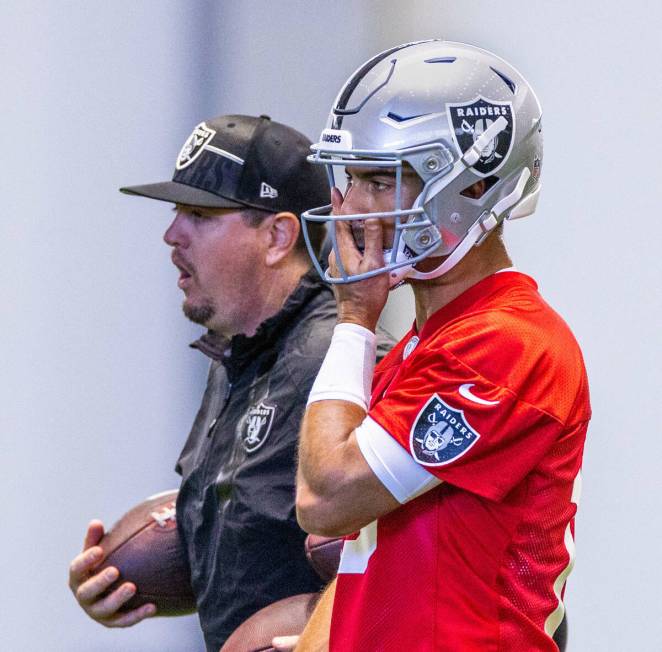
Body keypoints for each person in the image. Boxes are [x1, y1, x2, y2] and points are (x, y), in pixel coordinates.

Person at [294, 40, 590, 651]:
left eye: (382, 180)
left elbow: (326, 497)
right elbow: (363, 556)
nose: (352, 207)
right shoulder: (431, 340)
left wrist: (354, 316)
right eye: (353, 179)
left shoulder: (506, 342)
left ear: (475, 187)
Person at [67, 113, 393, 651]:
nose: (172, 235)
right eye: (177, 213)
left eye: (199, 214)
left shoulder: (345, 361)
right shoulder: (235, 359)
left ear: (277, 236)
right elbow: (256, 536)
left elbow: (435, 562)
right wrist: (120, 578)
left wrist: (324, 630)